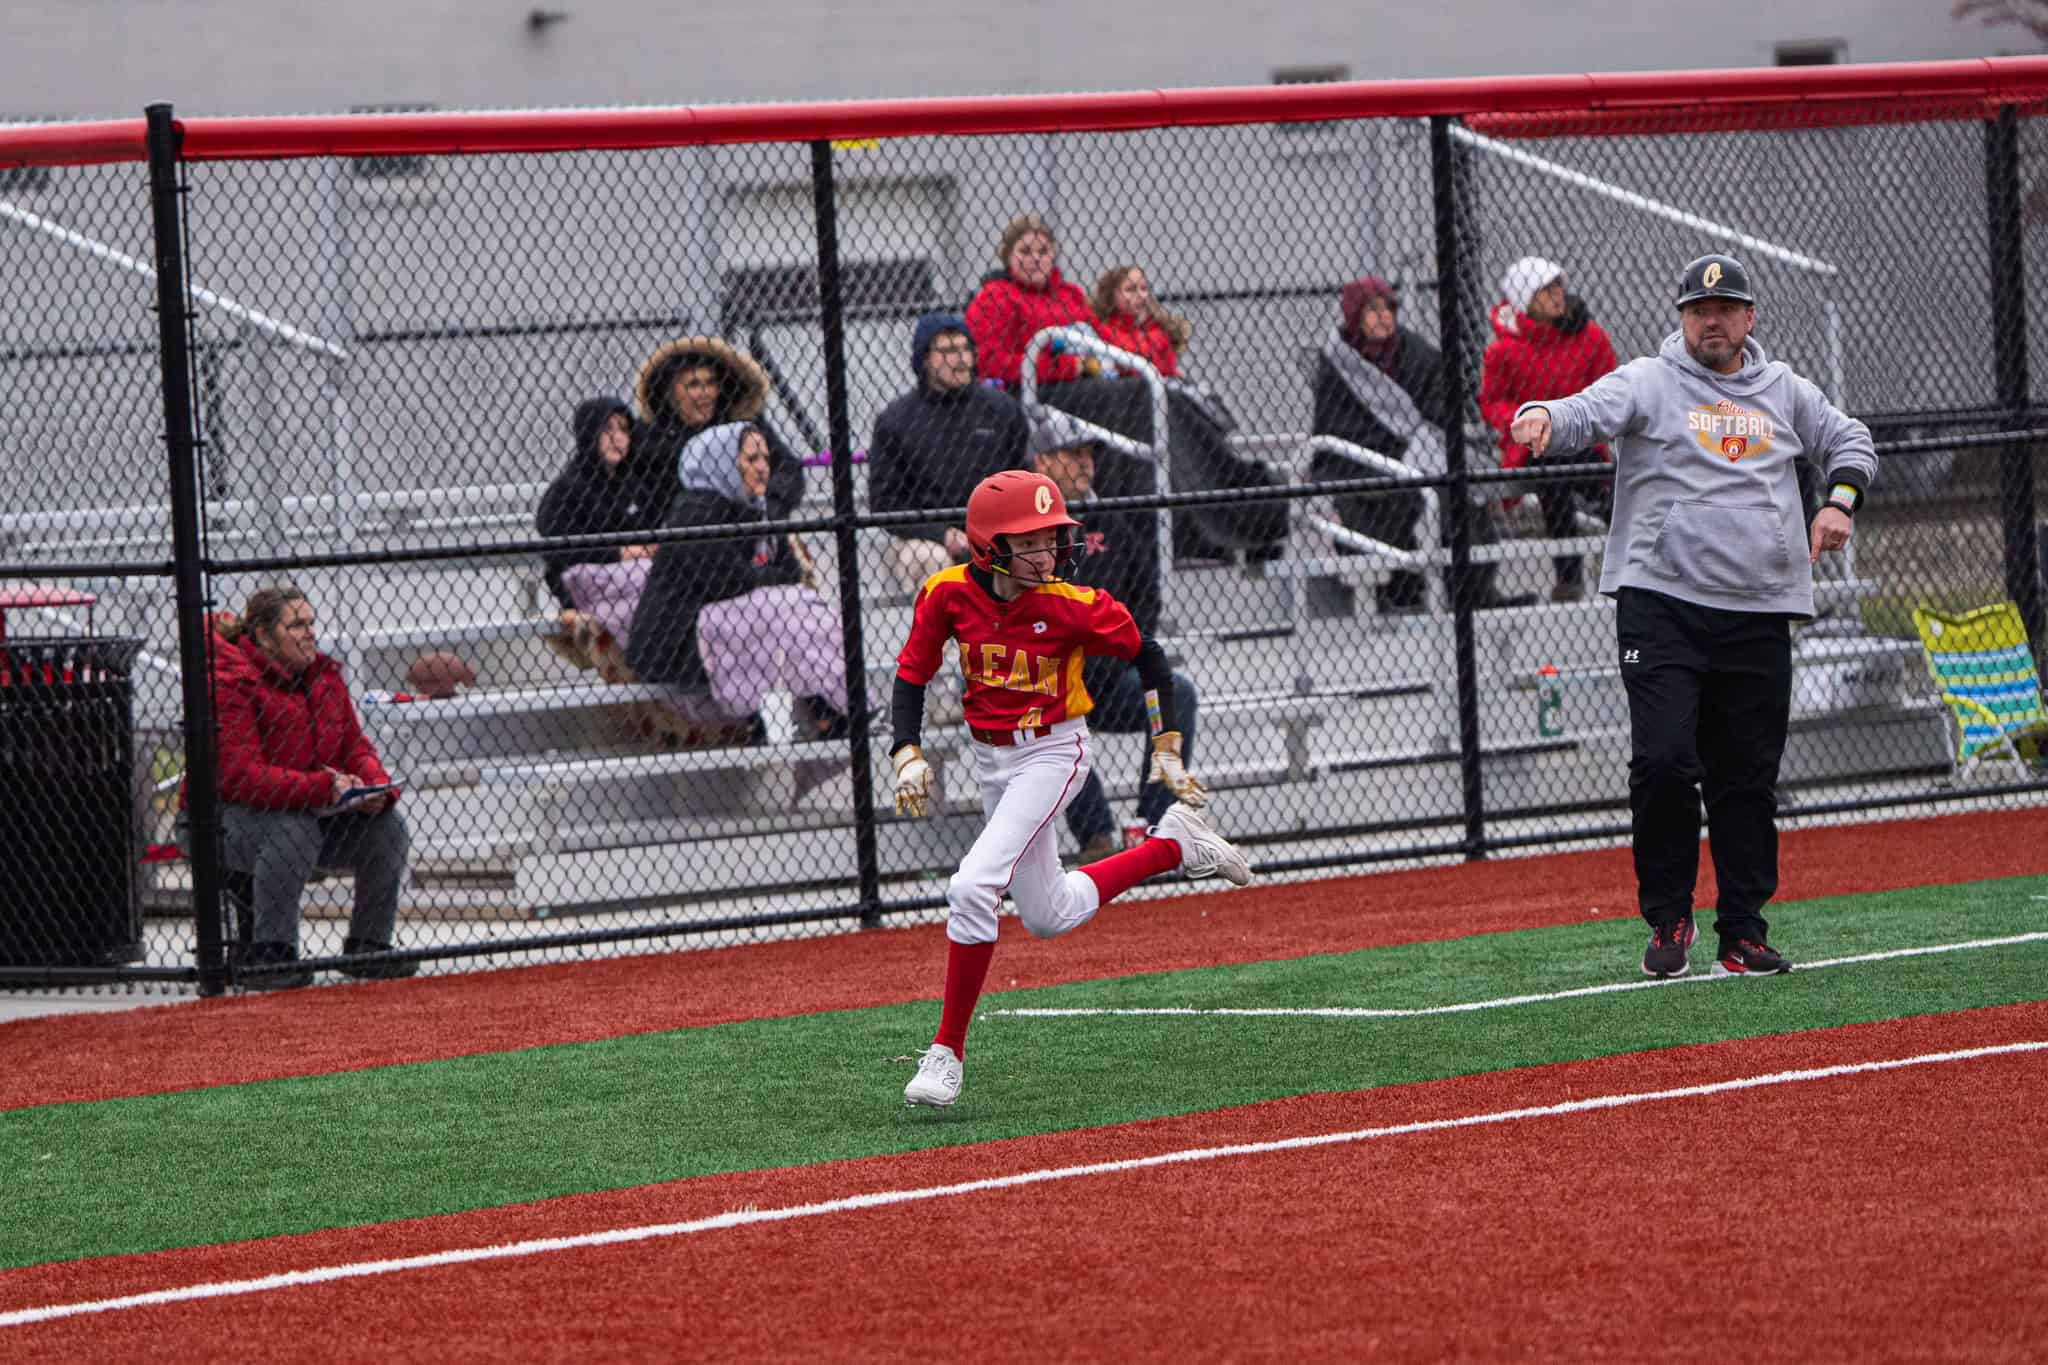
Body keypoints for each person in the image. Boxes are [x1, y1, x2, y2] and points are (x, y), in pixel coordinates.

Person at [1508, 253, 1876, 980]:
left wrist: (1839, 502)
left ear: (1748, 318)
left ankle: (1742, 932)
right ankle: (1668, 914)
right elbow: (1589, 409)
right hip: (1663, 602)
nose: (1710, 320)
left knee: (1746, 777)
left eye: (1725, 308)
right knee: (1667, 758)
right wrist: (1547, 416)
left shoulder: (1785, 390)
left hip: (1758, 606)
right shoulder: (1651, 379)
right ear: (1681, 318)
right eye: (1697, 310)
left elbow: (1851, 440)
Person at [890, 469, 1254, 1108]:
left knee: (973, 885)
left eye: (1051, 538)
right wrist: (905, 751)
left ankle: (946, 1053)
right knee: (1048, 913)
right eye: (1028, 542)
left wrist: (1165, 744)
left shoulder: (1070, 602)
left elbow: (1150, 656)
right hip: (991, 758)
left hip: (1056, 749)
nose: (1046, 553)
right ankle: (1173, 846)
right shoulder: (946, 593)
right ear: (987, 547)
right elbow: (912, 673)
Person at [202, 586, 416, 990]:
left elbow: (354, 746)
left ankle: (368, 946)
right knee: (291, 830)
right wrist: (325, 787)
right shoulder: (232, 682)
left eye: (311, 623)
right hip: (226, 819)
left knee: (388, 828)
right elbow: (242, 776)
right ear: (264, 636)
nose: (310, 633)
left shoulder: (322, 676)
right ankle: (272, 954)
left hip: (307, 807)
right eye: (296, 625)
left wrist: (375, 786)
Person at [1026, 412, 1200, 861]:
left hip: (1110, 677)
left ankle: (1156, 828)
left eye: (1089, 455)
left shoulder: (1111, 523)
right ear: (1043, 464)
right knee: (1042, 710)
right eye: (1073, 455)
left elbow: (1145, 598)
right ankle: (1097, 837)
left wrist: (1117, 652)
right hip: (1051, 684)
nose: (1086, 464)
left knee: (1175, 693)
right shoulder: (1023, 531)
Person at [1311, 275, 1529, 613]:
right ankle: (1399, 593)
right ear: (1355, 316)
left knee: (1461, 492)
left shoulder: (1415, 353)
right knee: (1380, 500)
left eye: (1388, 308)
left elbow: (1442, 411)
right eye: (1372, 310)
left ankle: (1476, 592)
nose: (1383, 316)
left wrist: (1420, 443)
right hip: (1362, 464)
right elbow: (1336, 427)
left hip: (1421, 455)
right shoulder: (1338, 367)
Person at [625, 422, 853, 742]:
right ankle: (823, 713)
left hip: (725, 634)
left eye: (765, 459)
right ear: (722, 462)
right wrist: (762, 579)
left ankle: (828, 712)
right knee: (770, 608)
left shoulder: (755, 509)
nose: (762, 468)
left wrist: (760, 579)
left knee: (786, 605)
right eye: (750, 460)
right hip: (674, 646)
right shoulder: (695, 512)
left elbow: (787, 572)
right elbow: (730, 583)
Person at [1480, 256, 1620, 602]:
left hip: (1582, 437)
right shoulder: (1504, 350)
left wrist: (1581, 419)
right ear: (1526, 300)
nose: (1558, 295)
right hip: (1533, 447)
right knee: (1552, 472)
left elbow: (1609, 386)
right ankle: (1571, 575)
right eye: (1547, 290)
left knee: (1590, 477)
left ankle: (1597, 568)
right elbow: (1492, 402)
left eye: (1559, 286)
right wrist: (1525, 420)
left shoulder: (1588, 337)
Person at [867, 312, 1030, 597]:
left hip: (998, 528)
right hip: (928, 537)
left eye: (966, 348)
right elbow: (885, 503)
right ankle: (945, 639)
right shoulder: (896, 420)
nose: (961, 358)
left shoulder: (1001, 409)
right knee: (928, 558)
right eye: (948, 350)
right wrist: (940, 533)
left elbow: (1024, 476)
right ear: (925, 359)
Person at [634, 335, 806, 522]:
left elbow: (788, 469)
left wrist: (768, 508)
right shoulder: (649, 437)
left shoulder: (743, 425)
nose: (705, 393)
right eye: (693, 385)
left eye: (711, 383)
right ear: (670, 392)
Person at [534, 396, 660, 609]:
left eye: (623, 429)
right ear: (589, 433)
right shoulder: (567, 488)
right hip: (586, 579)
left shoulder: (632, 485)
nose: (618, 438)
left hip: (633, 576)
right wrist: (619, 554)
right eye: (607, 429)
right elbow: (559, 549)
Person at [963, 213, 1101, 392]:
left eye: (1043, 251)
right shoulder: (995, 296)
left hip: (1086, 386)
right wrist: (1064, 367)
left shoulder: (1070, 293)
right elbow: (989, 363)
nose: (1035, 258)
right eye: (1025, 251)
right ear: (1008, 256)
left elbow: (1101, 337)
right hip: (1028, 395)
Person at [1090, 264, 1189, 380]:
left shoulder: (1157, 328)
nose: (1140, 295)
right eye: (1130, 289)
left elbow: (1169, 369)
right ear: (1112, 295)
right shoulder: (1106, 331)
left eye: (1143, 288)